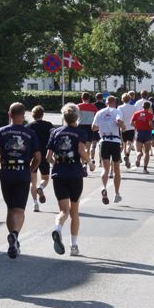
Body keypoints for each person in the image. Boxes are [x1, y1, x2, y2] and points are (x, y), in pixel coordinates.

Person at [0, 102, 41, 259]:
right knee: (19, 210)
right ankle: (15, 235)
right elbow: (38, 157)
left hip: (6, 173)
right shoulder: (30, 133)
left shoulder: (1, 131)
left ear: (9, 114)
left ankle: (13, 239)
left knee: (10, 209)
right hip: (22, 172)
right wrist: (32, 168)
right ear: (23, 115)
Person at [46, 103, 88, 256]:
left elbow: (48, 157)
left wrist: (57, 164)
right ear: (77, 117)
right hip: (75, 174)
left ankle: (57, 228)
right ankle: (74, 246)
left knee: (63, 210)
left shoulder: (55, 132)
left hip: (59, 174)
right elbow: (81, 151)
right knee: (74, 211)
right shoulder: (80, 133)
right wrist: (89, 162)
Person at [92, 96, 125, 204]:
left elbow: (93, 127)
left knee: (105, 169)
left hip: (104, 141)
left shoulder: (100, 112)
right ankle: (116, 193)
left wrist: (102, 126)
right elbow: (119, 122)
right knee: (116, 169)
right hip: (115, 141)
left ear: (106, 103)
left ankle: (104, 187)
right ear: (115, 103)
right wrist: (123, 126)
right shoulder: (117, 111)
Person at [26, 105, 54, 212]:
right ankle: (41, 187)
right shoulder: (49, 125)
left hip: (32, 156)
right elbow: (54, 136)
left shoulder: (28, 126)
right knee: (45, 178)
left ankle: (35, 203)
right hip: (44, 154)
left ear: (33, 115)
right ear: (42, 114)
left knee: (32, 182)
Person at [77, 92, 98, 174]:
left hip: (80, 127)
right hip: (89, 127)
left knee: (81, 147)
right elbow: (96, 116)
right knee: (88, 147)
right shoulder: (93, 107)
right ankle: (85, 163)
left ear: (82, 98)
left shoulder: (78, 106)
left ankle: (82, 164)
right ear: (89, 98)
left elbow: (75, 116)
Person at [131, 101, 154, 174]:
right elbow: (150, 124)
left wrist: (137, 126)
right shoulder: (150, 114)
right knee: (147, 152)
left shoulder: (136, 113)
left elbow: (131, 123)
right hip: (147, 133)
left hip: (139, 132)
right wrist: (153, 127)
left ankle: (138, 157)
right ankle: (145, 169)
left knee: (139, 151)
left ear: (142, 106)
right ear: (149, 107)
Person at [117, 93, 137, 169]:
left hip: (123, 128)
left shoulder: (120, 107)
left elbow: (119, 118)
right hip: (131, 127)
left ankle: (125, 156)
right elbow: (135, 118)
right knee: (129, 143)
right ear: (130, 99)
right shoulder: (133, 107)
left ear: (122, 99)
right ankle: (127, 155)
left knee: (123, 144)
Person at [90, 93, 106, 164]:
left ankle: (92, 158)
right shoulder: (105, 106)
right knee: (101, 145)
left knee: (93, 145)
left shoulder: (92, 105)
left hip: (94, 125)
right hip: (102, 127)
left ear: (96, 98)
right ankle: (100, 160)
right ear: (102, 98)